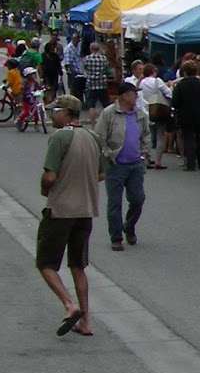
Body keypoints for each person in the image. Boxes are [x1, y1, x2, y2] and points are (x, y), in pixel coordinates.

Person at [36, 94, 100, 337]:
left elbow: (50, 176)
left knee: (45, 263)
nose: (51, 116)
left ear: (65, 113)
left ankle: (68, 304)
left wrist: (45, 188)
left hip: (61, 209)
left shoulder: (60, 137)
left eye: (54, 111)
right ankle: (86, 322)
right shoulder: (93, 137)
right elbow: (101, 173)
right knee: (78, 265)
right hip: (85, 210)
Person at [95, 81, 147, 251]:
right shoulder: (109, 113)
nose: (136, 96)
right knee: (115, 202)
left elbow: (145, 135)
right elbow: (99, 137)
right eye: (134, 93)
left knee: (138, 199)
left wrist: (144, 155)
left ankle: (129, 226)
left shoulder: (138, 114)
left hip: (135, 164)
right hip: (116, 165)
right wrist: (108, 155)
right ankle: (116, 237)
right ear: (124, 96)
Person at [172, 56, 200, 172]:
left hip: (185, 115)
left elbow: (175, 102)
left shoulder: (180, 85)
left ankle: (190, 163)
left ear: (184, 71)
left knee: (188, 139)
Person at [136, 62, 172, 168]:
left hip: (146, 111)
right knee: (160, 135)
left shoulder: (142, 83)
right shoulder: (157, 81)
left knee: (147, 136)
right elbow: (169, 93)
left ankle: (146, 159)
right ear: (153, 71)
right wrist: (170, 86)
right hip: (158, 109)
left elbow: (136, 91)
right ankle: (158, 161)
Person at [81, 42, 112, 121]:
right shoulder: (104, 58)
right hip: (102, 84)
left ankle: (93, 124)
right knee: (106, 105)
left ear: (90, 49)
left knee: (91, 106)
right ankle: (108, 121)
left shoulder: (86, 59)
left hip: (91, 84)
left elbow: (84, 70)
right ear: (98, 49)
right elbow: (107, 70)